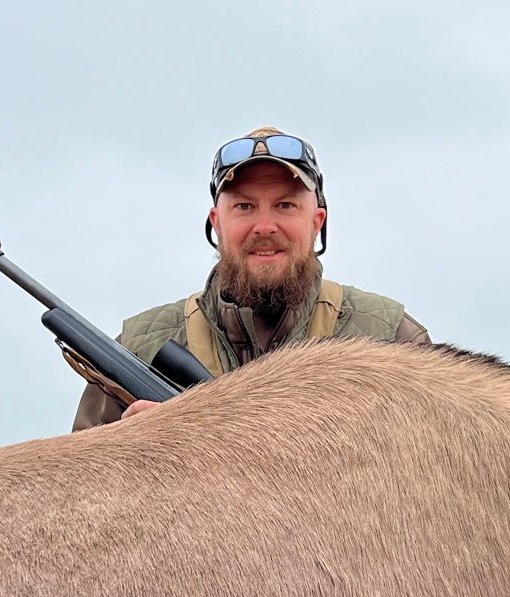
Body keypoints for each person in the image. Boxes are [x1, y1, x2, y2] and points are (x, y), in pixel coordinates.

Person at [73, 126, 429, 429]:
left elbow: (442, 483)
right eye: (244, 207)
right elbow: (75, 493)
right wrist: (140, 454)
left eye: (285, 205)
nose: (264, 227)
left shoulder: (391, 339)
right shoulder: (139, 348)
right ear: (217, 222)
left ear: (316, 222)